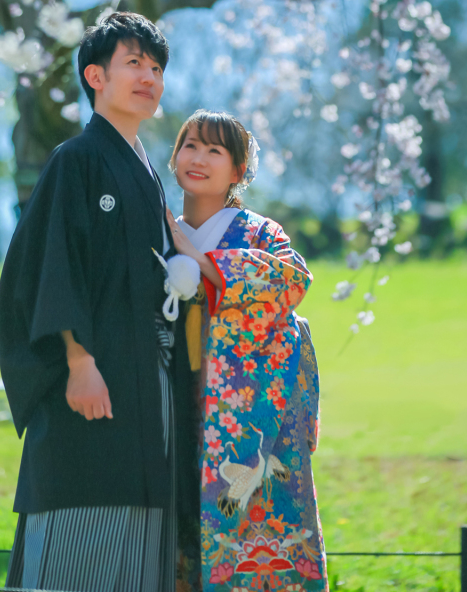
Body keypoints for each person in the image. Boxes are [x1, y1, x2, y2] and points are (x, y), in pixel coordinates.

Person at [0, 12, 198, 592]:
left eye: (156, 68)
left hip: (147, 384)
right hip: (91, 376)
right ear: (96, 76)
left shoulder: (147, 173)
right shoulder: (77, 159)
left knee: (142, 540)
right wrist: (77, 359)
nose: (149, 78)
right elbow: (53, 265)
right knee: (80, 531)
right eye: (134, 63)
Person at [167, 110, 328, 592]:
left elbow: (292, 278)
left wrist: (203, 263)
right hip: (173, 405)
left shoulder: (260, 234)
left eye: (214, 150)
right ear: (174, 157)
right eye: (190, 146)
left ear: (238, 170)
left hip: (251, 417)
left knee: (254, 537)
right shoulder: (161, 229)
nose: (198, 158)